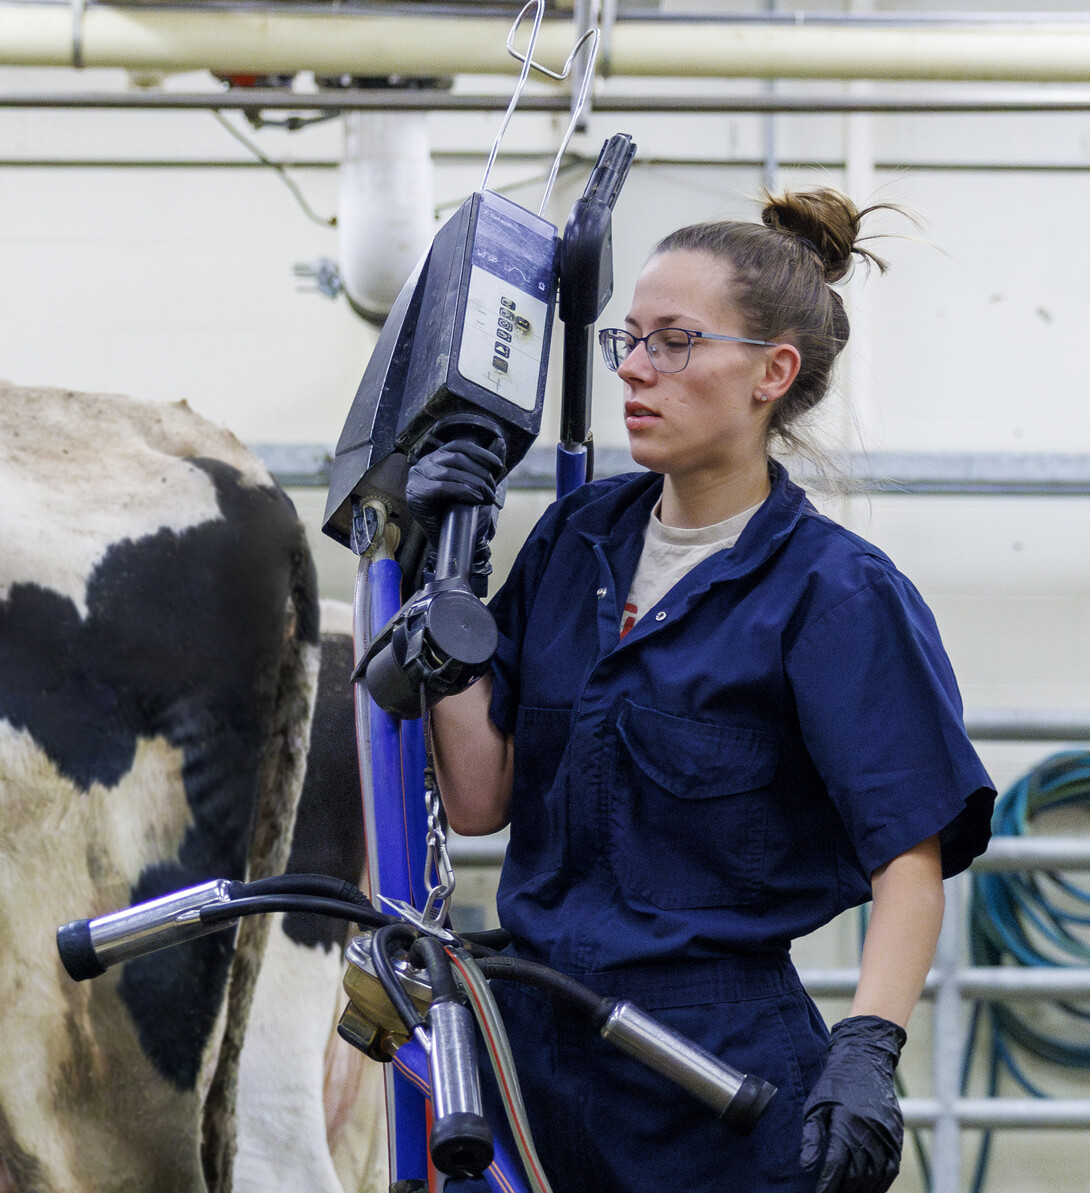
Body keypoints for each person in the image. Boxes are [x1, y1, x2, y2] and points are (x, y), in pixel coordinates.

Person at [406, 187, 996, 1193]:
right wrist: (439, 579)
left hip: (714, 1080)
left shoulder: (834, 593)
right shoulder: (575, 539)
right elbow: (478, 794)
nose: (636, 369)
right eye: (629, 341)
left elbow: (909, 857)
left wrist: (866, 1050)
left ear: (774, 371)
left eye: (675, 342)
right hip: (530, 1054)